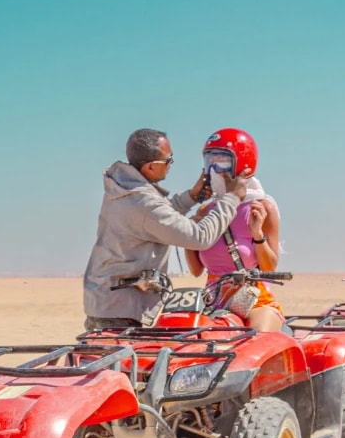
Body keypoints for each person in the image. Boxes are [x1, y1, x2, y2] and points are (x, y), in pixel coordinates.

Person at [82, 129, 246, 330]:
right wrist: (231, 198)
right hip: (120, 313)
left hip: (106, 304)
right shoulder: (142, 202)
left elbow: (154, 221)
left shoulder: (123, 188)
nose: (171, 165)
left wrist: (192, 197)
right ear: (151, 166)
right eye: (169, 160)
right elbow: (199, 237)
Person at [183, 128, 286, 330]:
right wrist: (190, 235)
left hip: (256, 301)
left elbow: (269, 267)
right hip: (214, 303)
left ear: (242, 163)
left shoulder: (262, 207)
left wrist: (257, 234)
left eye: (222, 161)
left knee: (256, 341)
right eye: (210, 161)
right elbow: (196, 271)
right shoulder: (207, 210)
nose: (214, 169)